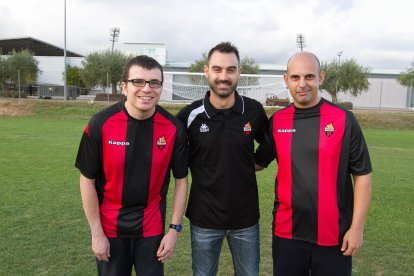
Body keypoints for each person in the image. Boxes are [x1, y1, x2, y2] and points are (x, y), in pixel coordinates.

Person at [255, 51, 372, 276]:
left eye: (309, 76)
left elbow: (363, 176)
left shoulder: (343, 119)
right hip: (287, 233)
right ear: (286, 80)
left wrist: (357, 229)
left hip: (334, 235)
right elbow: (258, 163)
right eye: (296, 77)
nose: (302, 84)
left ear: (321, 77)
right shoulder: (278, 121)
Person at [75, 55, 188, 276]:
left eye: (154, 82)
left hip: (152, 230)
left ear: (161, 88)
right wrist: (96, 233)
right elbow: (86, 180)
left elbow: (181, 181)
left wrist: (174, 231)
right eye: (138, 81)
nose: (147, 89)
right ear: (124, 86)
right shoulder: (100, 124)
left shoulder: (174, 128)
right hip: (110, 229)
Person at [176, 42, 268, 276]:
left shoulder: (254, 111)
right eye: (217, 69)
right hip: (204, 219)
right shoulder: (190, 115)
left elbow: (271, 144)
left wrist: (254, 164)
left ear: (239, 71)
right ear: (206, 71)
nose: (223, 76)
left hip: (246, 219)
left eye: (230, 69)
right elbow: (171, 151)